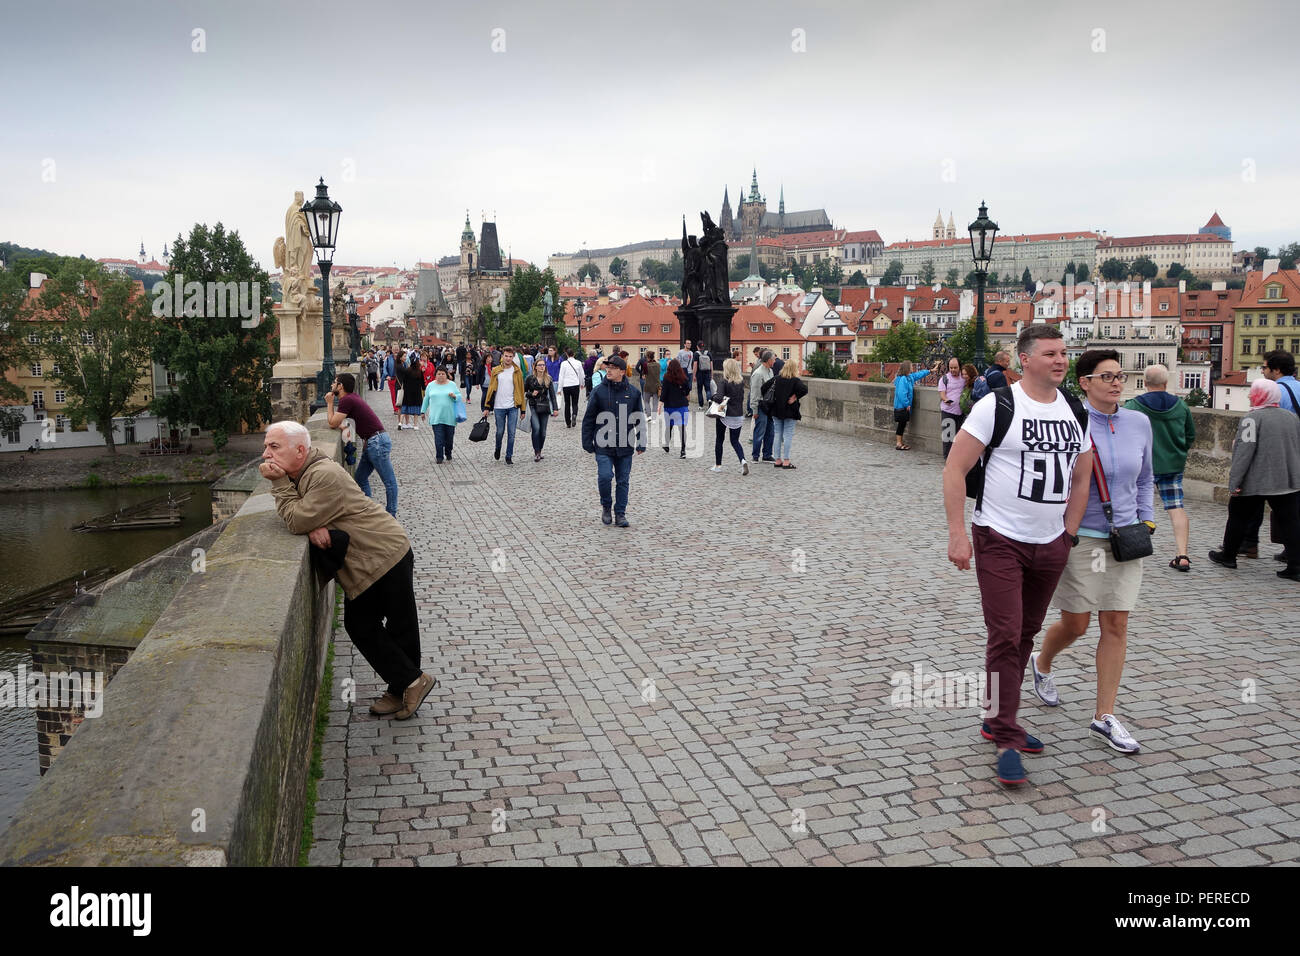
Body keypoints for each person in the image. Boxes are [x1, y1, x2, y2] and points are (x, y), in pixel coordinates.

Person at [943, 325, 1092, 787]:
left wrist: (1066, 534)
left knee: (1025, 632)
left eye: (1064, 353)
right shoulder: (996, 405)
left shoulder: (1074, 408)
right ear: (1024, 359)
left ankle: (994, 715)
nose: (1061, 360)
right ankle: (1006, 733)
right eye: (1050, 353)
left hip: (1050, 543)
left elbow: (1082, 478)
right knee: (1005, 633)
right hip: (999, 537)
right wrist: (957, 535)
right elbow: (954, 468)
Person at [261, 421, 436, 720]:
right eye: (266, 446)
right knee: (371, 626)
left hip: (383, 554)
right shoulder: (303, 473)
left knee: (388, 627)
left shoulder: (323, 475)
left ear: (300, 450)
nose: (266, 454)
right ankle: (404, 686)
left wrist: (284, 492)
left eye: (274, 447)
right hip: (371, 556)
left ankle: (409, 684)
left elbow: (296, 519)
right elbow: (303, 515)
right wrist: (313, 519)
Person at [1034, 349, 1154, 756]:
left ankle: (1104, 716)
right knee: (1077, 624)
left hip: (1125, 538)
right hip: (1082, 536)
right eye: (1107, 377)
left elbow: (1146, 477)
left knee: (1117, 623)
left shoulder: (1139, 422)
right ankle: (1043, 661)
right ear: (1085, 383)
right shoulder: (1070, 420)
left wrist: (1147, 519)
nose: (1117, 383)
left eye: (1120, 376)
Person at [1208, 378, 1300, 580]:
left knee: (1238, 516)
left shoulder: (1252, 419)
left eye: (1252, 392)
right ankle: (1296, 565)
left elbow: (1244, 453)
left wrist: (1235, 481)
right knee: (1291, 522)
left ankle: (1229, 556)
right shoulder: (1291, 417)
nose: (1250, 395)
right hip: (1286, 480)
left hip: (1256, 480)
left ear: (1260, 395)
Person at [1123, 364, 1197, 571]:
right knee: (1176, 508)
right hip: (1172, 465)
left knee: (1134, 507)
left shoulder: (1133, 406)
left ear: (1145, 383)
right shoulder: (1180, 405)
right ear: (1166, 383)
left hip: (1142, 466)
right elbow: (1190, 435)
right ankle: (1183, 554)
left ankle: (1132, 550)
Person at [581, 354, 646, 527]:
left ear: (622, 372)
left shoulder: (633, 393)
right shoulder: (598, 391)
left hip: (625, 444)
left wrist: (642, 441)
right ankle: (606, 506)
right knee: (605, 476)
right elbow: (589, 418)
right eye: (607, 367)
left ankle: (620, 514)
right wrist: (587, 441)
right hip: (603, 443)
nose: (608, 370)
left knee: (623, 481)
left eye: (613, 368)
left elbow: (639, 418)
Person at [324, 372, 398, 517]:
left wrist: (330, 403)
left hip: (377, 442)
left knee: (389, 482)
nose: (332, 384)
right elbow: (344, 423)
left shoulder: (347, 400)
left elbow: (332, 423)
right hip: (372, 441)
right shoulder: (352, 398)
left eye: (335, 382)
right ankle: (369, 511)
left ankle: (391, 515)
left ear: (341, 386)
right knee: (360, 478)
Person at [482, 345, 525, 464]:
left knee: (512, 433)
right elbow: (491, 390)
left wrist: (523, 409)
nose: (508, 358)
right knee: (500, 431)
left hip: (512, 406)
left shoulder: (517, 371)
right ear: (502, 356)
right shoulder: (496, 370)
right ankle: (498, 448)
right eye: (506, 356)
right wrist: (487, 407)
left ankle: (509, 456)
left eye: (510, 356)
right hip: (498, 406)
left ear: (513, 357)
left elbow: (521, 390)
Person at [709, 357, 749, 475]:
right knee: (735, 441)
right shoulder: (741, 382)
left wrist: (712, 397)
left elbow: (719, 397)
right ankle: (743, 461)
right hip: (738, 414)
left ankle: (718, 465)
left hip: (725, 414)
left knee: (719, 439)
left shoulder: (724, 382)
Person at [769, 358, 809, 469]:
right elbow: (805, 390)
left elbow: (764, 388)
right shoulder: (795, 380)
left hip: (776, 410)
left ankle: (777, 460)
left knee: (777, 434)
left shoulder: (777, 379)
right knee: (787, 435)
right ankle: (786, 461)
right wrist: (795, 397)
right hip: (790, 411)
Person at [421, 365, 460, 464]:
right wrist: (423, 411)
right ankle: (439, 456)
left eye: (443, 374)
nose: (441, 376)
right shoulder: (430, 385)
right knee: (439, 438)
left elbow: (459, 396)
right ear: (435, 375)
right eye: (439, 374)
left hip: (449, 416)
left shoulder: (452, 385)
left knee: (449, 438)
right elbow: (426, 399)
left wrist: (454, 396)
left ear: (446, 374)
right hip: (436, 416)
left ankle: (448, 452)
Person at [892, 360, 932, 451]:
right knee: (901, 424)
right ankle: (898, 443)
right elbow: (901, 393)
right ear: (907, 368)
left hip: (903, 406)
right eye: (911, 366)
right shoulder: (903, 379)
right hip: (902, 406)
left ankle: (900, 442)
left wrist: (930, 371)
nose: (912, 368)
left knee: (902, 424)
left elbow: (918, 375)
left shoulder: (909, 377)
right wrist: (907, 404)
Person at [749, 349, 778, 463]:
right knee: (760, 431)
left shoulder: (770, 371)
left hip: (770, 405)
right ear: (769, 360)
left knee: (770, 431)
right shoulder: (758, 374)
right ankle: (755, 456)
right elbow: (754, 393)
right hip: (761, 405)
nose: (775, 361)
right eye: (774, 359)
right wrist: (754, 410)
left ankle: (767, 454)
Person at [659, 358, 691, 458]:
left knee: (669, 427)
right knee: (682, 429)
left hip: (670, 407)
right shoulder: (684, 378)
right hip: (682, 406)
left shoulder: (666, 378)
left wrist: (660, 404)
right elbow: (687, 390)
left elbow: (664, 393)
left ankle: (667, 445)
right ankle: (683, 450)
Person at [525, 357, 553, 462]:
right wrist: (531, 394)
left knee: (543, 432)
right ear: (535, 367)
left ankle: (540, 450)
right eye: (540, 365)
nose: (542, 367)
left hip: (544, 406)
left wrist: (555, 408)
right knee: (536, 428)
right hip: (533, 405)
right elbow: (524, 392)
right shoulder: (530, 378)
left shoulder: (548, 378)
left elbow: (552, 395)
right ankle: (536, 451)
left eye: (543, 365)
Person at [937, 357, 966, 459]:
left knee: (959, 437)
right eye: (951, 368)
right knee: (948, 436)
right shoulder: (944, 379)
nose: (953, 370)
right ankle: (947, 458)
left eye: (955, 368)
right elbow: (942, 393)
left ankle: (957, 457)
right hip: (948, 411)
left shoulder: (964, 378)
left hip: (961, 412)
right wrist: (946, 399)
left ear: (960, 367)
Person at [398, 353, 425, 430]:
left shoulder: (407, 371)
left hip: (407, 393)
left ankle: (400, 423)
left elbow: (404, 381)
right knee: (416, 411)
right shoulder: (419, 372)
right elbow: (422, 384)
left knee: (404, 408)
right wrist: (423, 389)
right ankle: (415, 425)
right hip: (416, 393)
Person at [558, 348, 584, 428]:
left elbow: (561, 376)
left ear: (566, 354)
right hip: (575, 384)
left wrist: (559, 388)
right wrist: (582, 383)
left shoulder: (563, 363)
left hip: (566, 385)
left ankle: (568, 422)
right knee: (575, 403)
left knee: (567, 404)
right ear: (574, 354)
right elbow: (581, 374)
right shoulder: (578, 363)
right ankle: (574, 415)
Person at [544, 346, 563, 418]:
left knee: (553, 395)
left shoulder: (559, 359)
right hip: (547, 379)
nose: (550, 352)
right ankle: (550, 409)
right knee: (548, 395)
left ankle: (552, 409)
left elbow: (562, 369)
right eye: (549, 350)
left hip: (556, 380)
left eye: (551, 350)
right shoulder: (546, 359)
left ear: (555, 351)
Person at [384, 347, 399, 415]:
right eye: (394, 350)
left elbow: (406, 366)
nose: (396, 351)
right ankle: (395, 409)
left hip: (400, 379)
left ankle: (400, 408)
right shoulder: (388, 358)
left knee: (399, 394)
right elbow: (385, 368)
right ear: (392, 351)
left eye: (397, 349)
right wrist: (387, 375)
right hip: (392, 379)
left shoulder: (402, 357)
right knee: (393, 394)